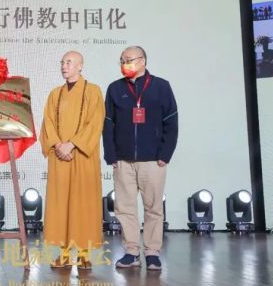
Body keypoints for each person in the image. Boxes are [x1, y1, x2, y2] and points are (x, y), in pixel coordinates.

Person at [103, 46, 178, 271]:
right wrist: (111, 154)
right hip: (123, 160)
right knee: (125, 208)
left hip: (153, 160)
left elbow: (171, 122)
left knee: (153, 208)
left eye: (128, 59)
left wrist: (165, 154)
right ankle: (131, 251)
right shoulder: (115, 88)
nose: (124, 64)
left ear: (143, 61)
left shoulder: (161, 86)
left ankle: (152, 252)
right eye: (121, 60)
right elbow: (108, 124)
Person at [39, 50, 105, 270]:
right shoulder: (55, 94)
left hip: (82, 156)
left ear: (80, 66)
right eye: (62, 62)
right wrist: (58, 145)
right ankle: (65, 254)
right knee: (62, 205)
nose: (64, 66)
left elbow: (95, 123)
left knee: (83, 203)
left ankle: (84, 253)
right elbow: (48, 123)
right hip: (60, 157)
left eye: (69, 62)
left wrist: (73, 144)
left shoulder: (93, 91)